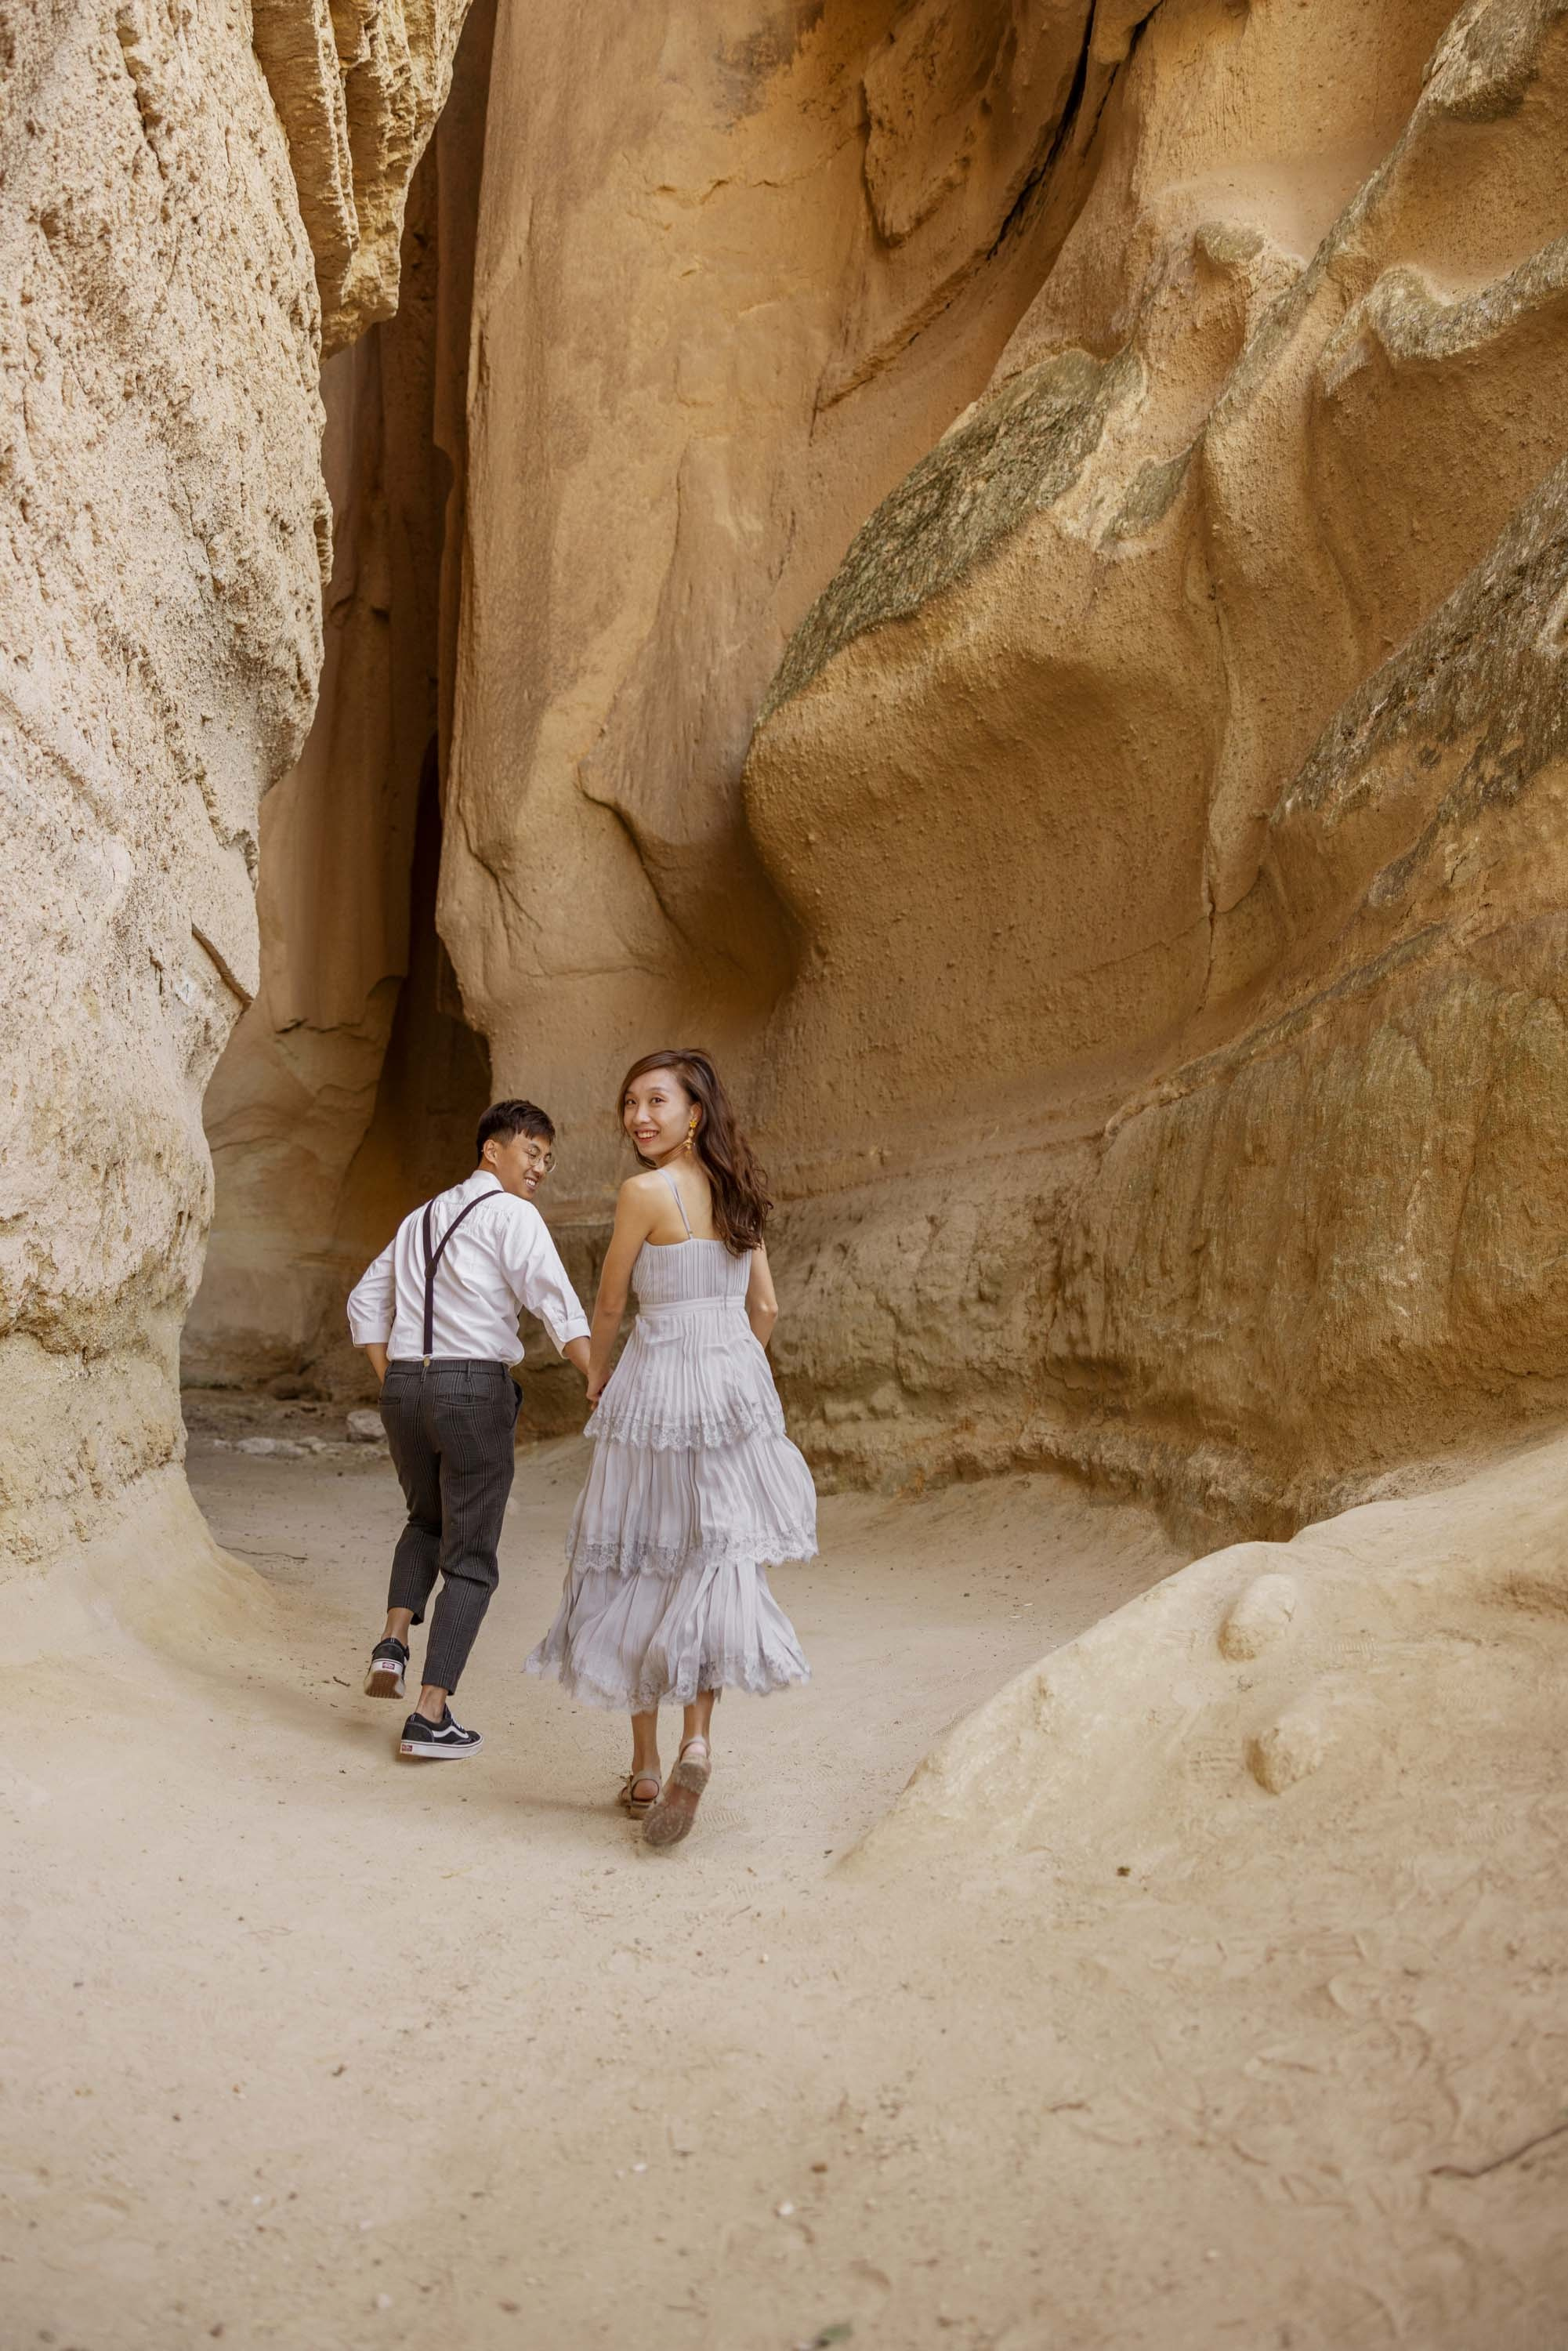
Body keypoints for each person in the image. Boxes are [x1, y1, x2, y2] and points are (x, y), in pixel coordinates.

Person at [526, 1050, 817, 1848]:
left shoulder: (643, 1193)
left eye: (656, 1102)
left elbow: (613, 1296)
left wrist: (598, 1377)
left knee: (635, 1560)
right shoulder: (741, 1195)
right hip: (731, 1394)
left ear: (696, 1113)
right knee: (712, 1560)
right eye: (629, 1103)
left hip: (655, 1393)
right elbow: (767, 1307)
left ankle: (648, 1764)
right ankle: (699, 1742)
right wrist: (738, 1371)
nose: (638, 1117)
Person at [348, 1099, 591, 1759]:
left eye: (547, 1158)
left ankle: (393, 1642)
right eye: (529, 1152)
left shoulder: (419, 1218)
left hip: (405, 1386)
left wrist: (399, 1377)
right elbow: (554, 1302)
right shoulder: (512, 1214)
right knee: (471, 1559)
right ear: (492, 1151)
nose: (539, 1167)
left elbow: (365, 1300)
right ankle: (431, 1716)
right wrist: (599, 1377)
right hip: (472, 1388)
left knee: (425, 1521)